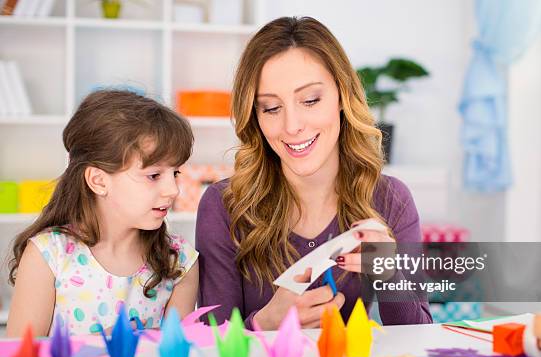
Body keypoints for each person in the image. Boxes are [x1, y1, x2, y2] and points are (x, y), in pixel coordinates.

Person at [197, 16, 432, 330]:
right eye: (270, 107)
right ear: (255, 116)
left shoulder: (390, 200)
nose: (292, 126)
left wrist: (390, 273)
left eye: (310, 100)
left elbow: (417, 335)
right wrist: (266, 322)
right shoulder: (223, 205)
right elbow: (212, 348)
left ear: (341, 96)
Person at [6, 90, 199, 337]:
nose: (173, 190)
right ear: (98, 181)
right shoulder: (49, 255)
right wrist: (98, 347)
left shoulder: (180, 262)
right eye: (154, 175)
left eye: (175, 173)